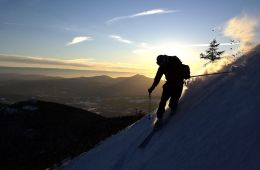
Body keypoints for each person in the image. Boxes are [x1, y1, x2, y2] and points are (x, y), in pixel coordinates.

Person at [148, 55, 184, 122]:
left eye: (161, 63)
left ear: (163, 60)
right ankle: (159, 116)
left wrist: (183, 75)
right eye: (160, 64)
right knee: (163, 100)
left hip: (178, 83)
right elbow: (157, 79)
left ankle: (173, 109)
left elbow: (182, 70)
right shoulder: (162, 67)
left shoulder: (174, 61)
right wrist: (152, 88)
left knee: (173, 100)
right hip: (170, 84)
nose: (161, 65)